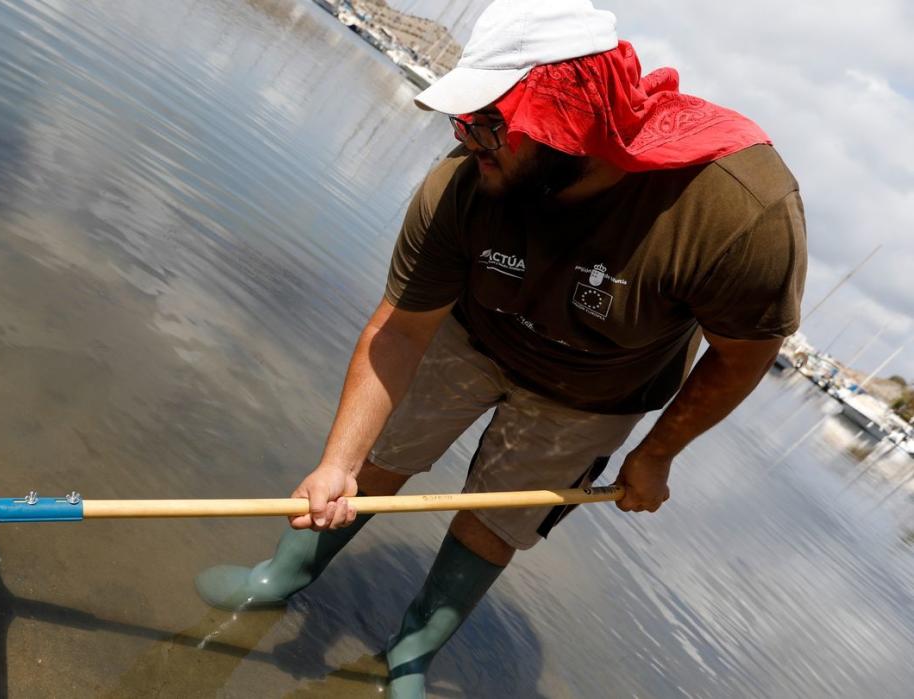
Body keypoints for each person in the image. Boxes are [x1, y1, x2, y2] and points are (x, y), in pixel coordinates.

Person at [196, 0, 807, 695]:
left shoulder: (738, 210)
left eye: (488, 124)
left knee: (498, 515)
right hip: (473, 330)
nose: (467, 141)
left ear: (566, 120)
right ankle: (285, 574)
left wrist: (656, 454)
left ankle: (410, 651)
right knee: (379, 454)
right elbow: (399, 329)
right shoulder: (465, 183)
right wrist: (335, 464)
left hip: (595, 389)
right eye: (463, 121)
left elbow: (742, 356)